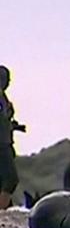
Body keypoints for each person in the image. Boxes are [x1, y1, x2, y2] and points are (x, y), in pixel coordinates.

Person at [0, 66, 25, 210]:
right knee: (10, 179)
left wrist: (14, 126)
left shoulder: (3, 97)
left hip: (5, 140)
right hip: (2, 143)